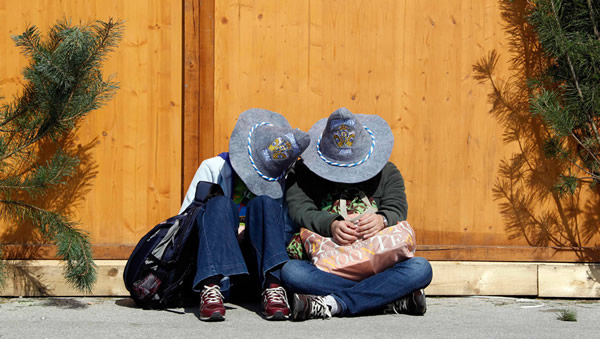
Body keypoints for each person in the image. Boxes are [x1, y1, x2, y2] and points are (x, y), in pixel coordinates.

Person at [281, 107, 433, 320]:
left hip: (378, 264)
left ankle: (333, 304)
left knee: (421, 268)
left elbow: (398, 207)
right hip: (329, 265)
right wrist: (332, 224)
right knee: (292, 272)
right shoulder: (302, 173)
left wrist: (382, 219)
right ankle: (387, 298)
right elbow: (299, 210)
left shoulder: (388, 172)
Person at [180, 108, 309, 321]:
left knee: (266, 203)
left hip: (257, 268)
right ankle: (210, 288)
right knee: (218, 203)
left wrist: (249, 231)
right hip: (215, 266)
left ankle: (273, 288)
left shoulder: (282, 177)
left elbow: (285, 231)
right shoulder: (213, 167)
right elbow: (186, 221)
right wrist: (228, 233)